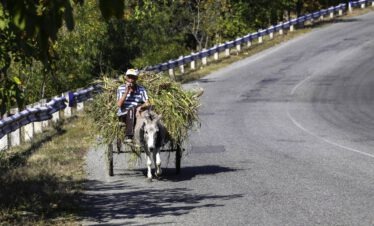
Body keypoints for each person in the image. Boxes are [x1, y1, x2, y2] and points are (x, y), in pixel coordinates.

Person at [117, 69, 149, 142]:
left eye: (133, 77)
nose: (130, 80)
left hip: (138, 111)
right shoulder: (121, 88)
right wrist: (126, 92)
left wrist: (140, 107)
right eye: (129, 77)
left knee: (149, 112)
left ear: (136, 79)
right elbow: (119, 104)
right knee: (131, 110)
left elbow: (147, 103)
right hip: (124, 113)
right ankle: (129, 135)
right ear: (126, 78)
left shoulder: (141, 89)